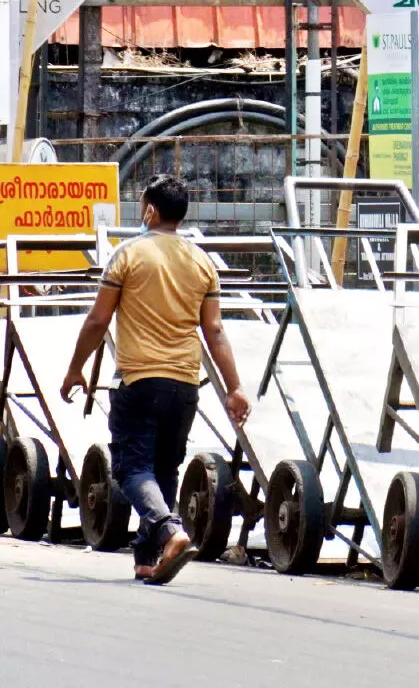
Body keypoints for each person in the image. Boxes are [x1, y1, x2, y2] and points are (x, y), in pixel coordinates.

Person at [60, 175, 250, 585]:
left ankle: (170, 529)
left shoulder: (128, 254)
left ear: (149, 210)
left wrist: (75, 367)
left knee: (130, 467)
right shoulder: (202, 262)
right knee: (164, 468)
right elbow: (214, 330)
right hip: (185, 383)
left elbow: (98, 319)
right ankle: (148, 560)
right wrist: (234, 388)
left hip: (140, 378)